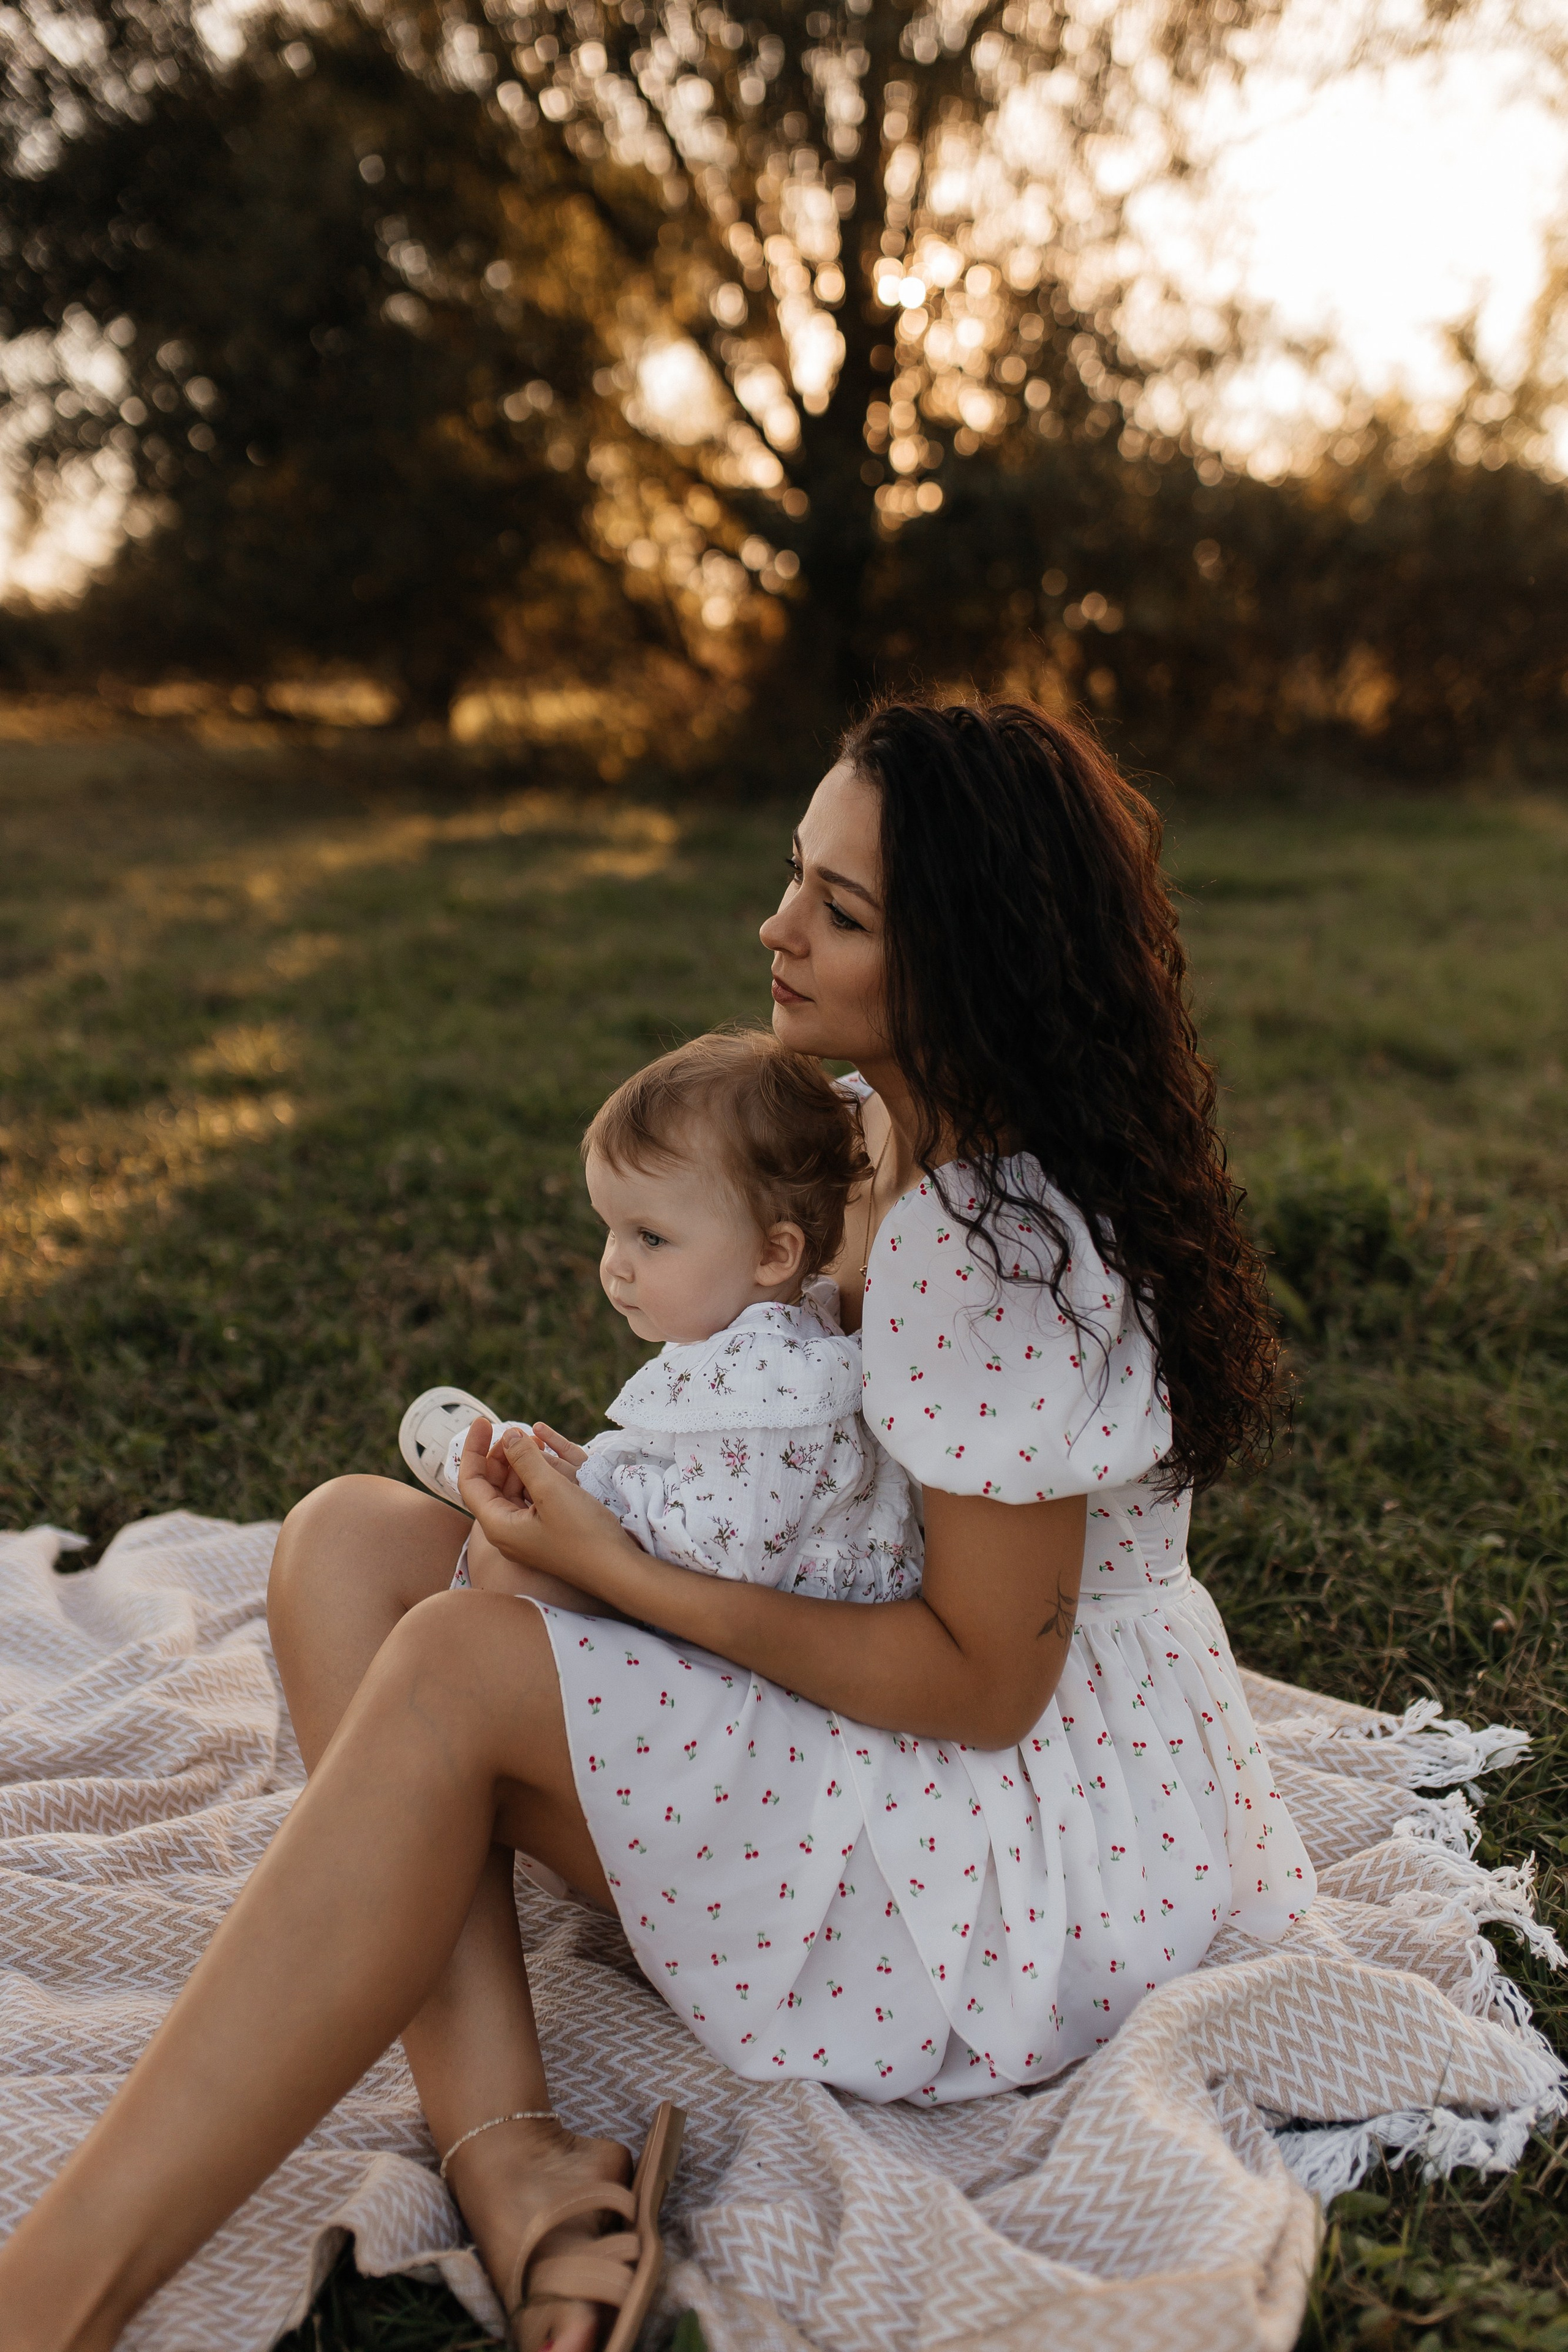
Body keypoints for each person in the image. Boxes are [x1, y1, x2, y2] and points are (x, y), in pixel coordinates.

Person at [0, 697, 1314, 2352]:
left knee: (456, 1666)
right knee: (344, 1541)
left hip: (1008, 1842)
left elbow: (985, 1685)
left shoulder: (994, 1249)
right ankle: (510, 2152)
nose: (778, 926)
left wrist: (614, 1573)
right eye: (795, 876)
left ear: (970, 959)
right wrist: (599, 1516)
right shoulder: (869, 1126)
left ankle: (48, 2301)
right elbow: (807, 1460)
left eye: (841, 910)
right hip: (859, 1638)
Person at [400, 1028, 919, 1613]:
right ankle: (511, 1491)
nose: (614, 1265)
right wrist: (589, 1474)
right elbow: (693, 1469)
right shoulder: (750, 1338)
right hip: (712, 1598)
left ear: (773, 1255)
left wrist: (597, 1499)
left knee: (504, 1560)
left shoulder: (771, 1378)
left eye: (650, 1238)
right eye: (611, 1231)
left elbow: (721, 1558)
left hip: (769, 1637)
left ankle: (499, 1523)